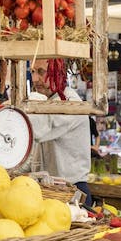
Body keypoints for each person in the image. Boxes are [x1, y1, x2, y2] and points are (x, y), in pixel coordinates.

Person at [28, 60, 92, 206]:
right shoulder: (48, 102)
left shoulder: (69, 103)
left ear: (58, 73)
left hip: (72, 192)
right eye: (32, 71)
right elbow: (34, 153)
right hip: (50, 191)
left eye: (41, 72)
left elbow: (38, 131)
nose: (35, 79)